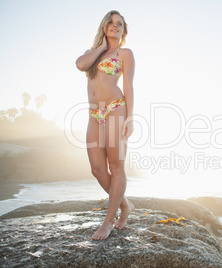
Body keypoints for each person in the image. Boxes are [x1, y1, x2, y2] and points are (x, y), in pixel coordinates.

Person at [75, 10, 135, 240]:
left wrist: (130, 117)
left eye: (119, 23)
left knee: (116, 168)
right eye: (110, 22)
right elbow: (80, 65)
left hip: (115, 108)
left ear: (124, 29)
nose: (115, 25)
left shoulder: (125, 53)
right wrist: (100, 47)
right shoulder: (92, 54)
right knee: (98, 169)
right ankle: (125, 204)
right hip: (94, 114)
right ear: (104, 26)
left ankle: (109, 222)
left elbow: (128, 85)